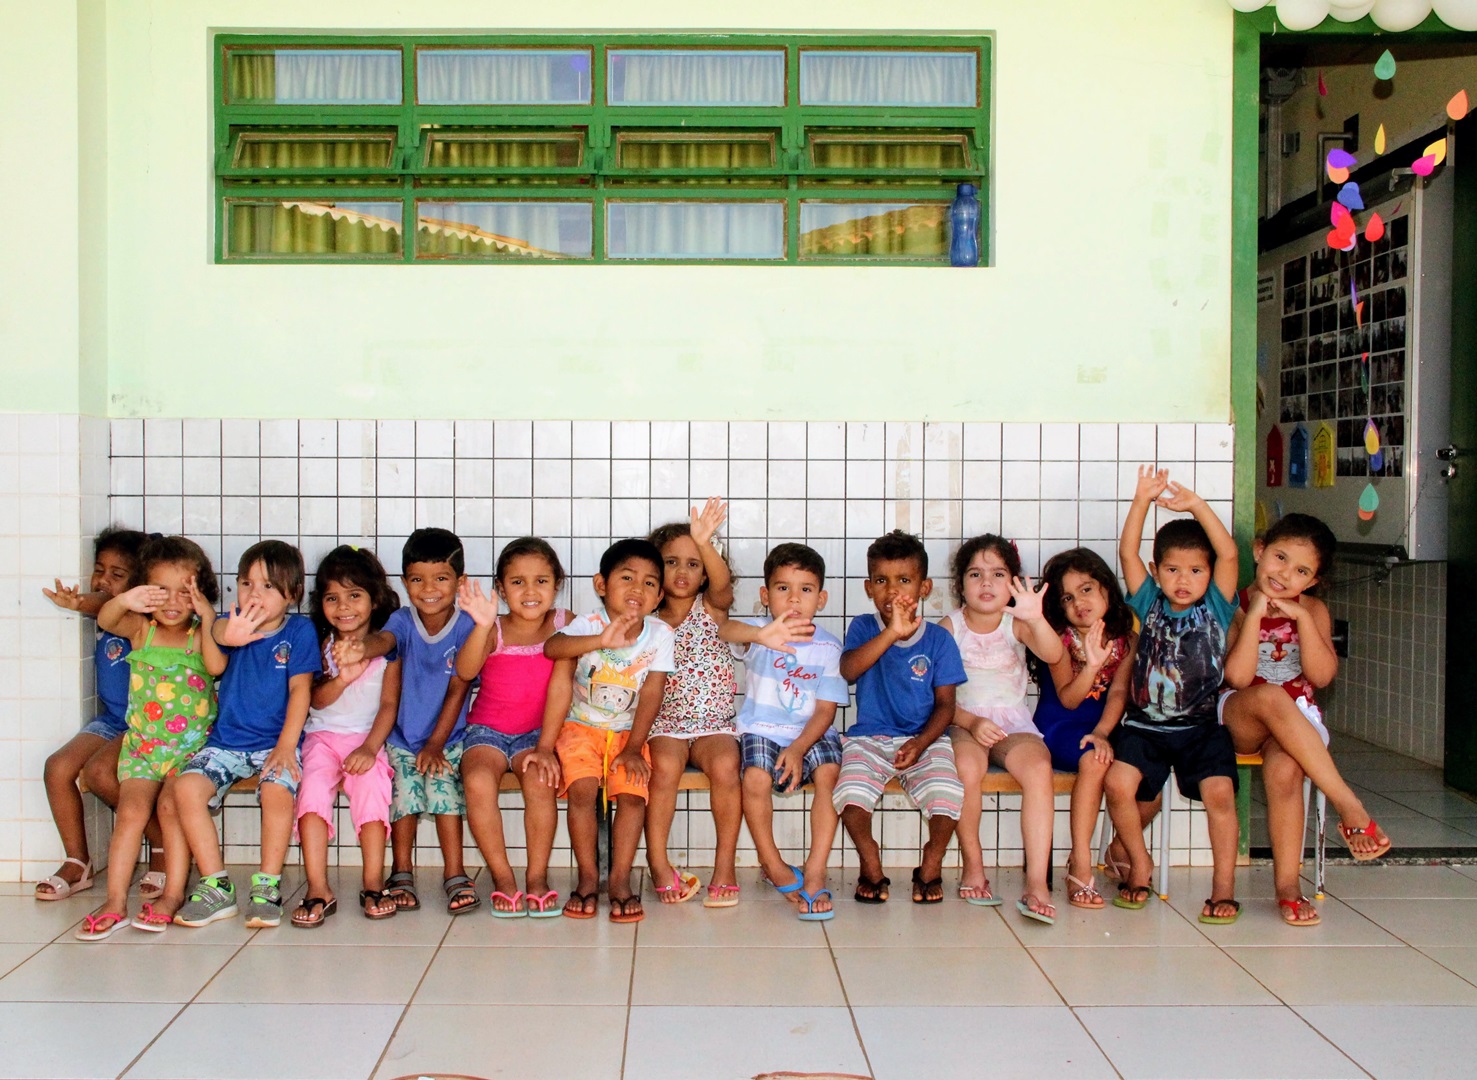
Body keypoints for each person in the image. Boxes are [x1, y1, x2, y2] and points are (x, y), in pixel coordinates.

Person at [1221, 512, 1391, 926]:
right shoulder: (1232, 606)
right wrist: (1254, 615)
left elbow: (1322, 676)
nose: (1285, 574)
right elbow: (1237, 677)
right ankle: (1348, 805)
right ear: (1259, 551)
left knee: (1285, 771)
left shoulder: (1313, 609)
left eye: (1301, 571)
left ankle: (1288, 888)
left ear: (1313, 582)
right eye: (1280, 558)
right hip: (1239, 714)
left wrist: (1301, 620)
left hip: (1295, 723)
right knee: (1270, 695)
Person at [1106, 468, 1241, 925]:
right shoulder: (1148, 602)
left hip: (1201, 728)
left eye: (1196, 570)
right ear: (1156, 571)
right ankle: (1139, 863)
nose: (1184, 579)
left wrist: (1197, 505)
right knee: (1118, 785)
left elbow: (1228, 551)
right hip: (1144, 728)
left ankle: (1223, 887)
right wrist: (1141, 500)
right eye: (1172, 569)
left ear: (1210, 575)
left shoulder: (1216, 606)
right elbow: (1127, 551)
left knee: (1220, 793)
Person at [162, 540, 320, 928]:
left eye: (268, 586)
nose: (254, 594)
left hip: (276, 743)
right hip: (227, 743)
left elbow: (301, 691)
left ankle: (267, 886)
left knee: (276, 792)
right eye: (247, 583)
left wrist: (286, 746)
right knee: (186, 788)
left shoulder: (299, 631)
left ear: (293, 593)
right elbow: (215, 666)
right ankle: (216, 885)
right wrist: (216, 628)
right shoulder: (230, 622)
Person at [75, 537, 225, 939]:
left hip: (189, 750)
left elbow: (216, 666)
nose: (172, 602)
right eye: (161, 591)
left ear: (200, 592)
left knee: (171, 812)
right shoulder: (142, 628)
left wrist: (208, 616)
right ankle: (114, 901)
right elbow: (107, 619)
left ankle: (173, 894)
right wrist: (127, 599)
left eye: (184, 592)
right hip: (142, 747)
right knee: (130, 814)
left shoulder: (200, 634)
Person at [536, 538, 675, 923]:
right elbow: (552, 648)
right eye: (627, 578)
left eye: (650, 583)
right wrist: (600, 640)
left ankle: (619, 880)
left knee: (632, 797)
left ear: (659, 596)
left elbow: (652, 693)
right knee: (582, 792)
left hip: (630, 734)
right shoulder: (590, 624)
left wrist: (634, 747)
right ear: (602, 584)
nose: (638, 589)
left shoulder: (661, 634)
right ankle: (587, 878)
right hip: (581, 728)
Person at [836, 530, 966, 905]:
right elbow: (848, 670)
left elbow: (946, 706)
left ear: (924, 587)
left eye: (904, 580)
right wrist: (891, 633)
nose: (892, 590)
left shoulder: (938, 640)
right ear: (868, 587)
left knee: (948, 794)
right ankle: (870, 859)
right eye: (881, 581)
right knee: (849, 794)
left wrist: (920, 743)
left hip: (925, 739)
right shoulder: (863, 627)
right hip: (868, 738)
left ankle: (932, 861)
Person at [720, 542, 849, 921]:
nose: (794, 599)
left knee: (830, 774)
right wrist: (761, 635)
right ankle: (773, 863)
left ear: (821, 599)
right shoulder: (759, 633)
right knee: (755, 779)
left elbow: (825, 711)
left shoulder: (828, 647)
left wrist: (798, 748)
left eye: (805, 589)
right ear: (765, 596)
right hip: (761, 728)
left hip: (810, 731)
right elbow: (723, 627)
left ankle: (815, 870)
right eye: (782, 588)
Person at [943, 535, 1064, 924]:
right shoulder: (950, 627)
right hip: (963, 721)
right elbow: (935, 696)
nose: (986, 583)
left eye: (998, 574)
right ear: (960, 584)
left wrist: (1035, 617)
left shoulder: (1017, 625)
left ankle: (1037, 883)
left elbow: (1053, 654)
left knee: (1039, 769)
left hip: (1012, 723)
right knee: (966, 768)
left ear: (1012, 583)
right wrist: (971, 722)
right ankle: (974, 866)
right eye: (975, 574)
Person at [356, 528, 477, 915]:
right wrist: (361, 646)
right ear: (405, 581)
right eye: (417, 579)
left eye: (441, 578)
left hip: (448, 739)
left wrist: (436, 744)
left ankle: (455, 872)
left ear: (459, 581)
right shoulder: (403, 620)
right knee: (405, 798)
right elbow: (384, 642)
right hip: (403, 738)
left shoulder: (467, 625)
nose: (429, 589)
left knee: (445, 796)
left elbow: (459, 688)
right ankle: (401, 871)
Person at [454, 538, 572, 918]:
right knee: (477, 781)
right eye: (518, 582)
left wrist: (546, 746)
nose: (530, 591)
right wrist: (482, 625)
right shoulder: (494, 627)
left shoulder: (564, 623)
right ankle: (503, 878)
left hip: (538, 735)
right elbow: (465, 671)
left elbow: (565, 687)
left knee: (540, 782)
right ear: (502, 589)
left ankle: (536, 878)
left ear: (557, 585)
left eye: (541, 581)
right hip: (487, 731)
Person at [37, 526, 151, 901]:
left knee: (101, 774)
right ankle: (78, 861)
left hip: (144, 723)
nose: (103, 580)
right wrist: (81, 602)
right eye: (99, 570)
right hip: (112, 720)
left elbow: (102, 606)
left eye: (117, 574)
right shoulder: (107, 613)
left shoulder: (139, 619)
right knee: (57, 768)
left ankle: (162, 850)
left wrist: (79, 602)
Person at [291, 546, 402, 927]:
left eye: (355, 595)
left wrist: (370, 748)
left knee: (372, 789)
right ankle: (318, 887)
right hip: (321, 738)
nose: (343, 607)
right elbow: (315, 701)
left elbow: (389, 705)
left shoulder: (386, 649)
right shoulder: (320, 645)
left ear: (375, 599)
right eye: (332, 598)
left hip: (367, 740)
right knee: (311, 793)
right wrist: (341, 679)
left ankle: (373, 883)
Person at [645, 498, 741, 907]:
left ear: (704, 573)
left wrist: (705, 543)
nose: (682, 571)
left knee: (726, 765)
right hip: (665, 724)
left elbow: (723, 586)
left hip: (713, 723)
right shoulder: (646, 618)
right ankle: (658, 862)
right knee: (664, 767)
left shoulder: (711, 608)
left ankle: (725, 867)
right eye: (671, 562)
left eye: (693, 563)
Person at [1035, 547, 1139, 911]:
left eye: (1087, 589)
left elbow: (1119, 692)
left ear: (1107, 588)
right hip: (1059, 726)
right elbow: (1067, 699)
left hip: (1101, 726)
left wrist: (1104, 732)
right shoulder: (1058, 638)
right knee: (1095, 761)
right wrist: (1092, 666)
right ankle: (1080, 861)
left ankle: (1120, 848)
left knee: (1144, 762)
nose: (1079, 602)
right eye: (1067, 597)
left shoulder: (1126, 639)